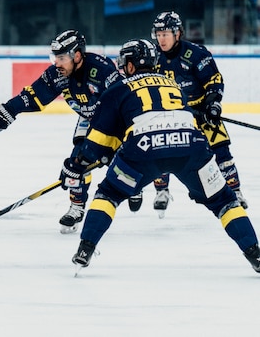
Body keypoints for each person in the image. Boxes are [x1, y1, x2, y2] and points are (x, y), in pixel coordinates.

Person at [60, 38, 260, 274]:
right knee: (225, 201)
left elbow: (97, 143)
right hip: (191, 148)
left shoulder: (117, 89)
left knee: (108, 194)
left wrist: (76, 165)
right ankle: (255, 253)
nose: (122, 67)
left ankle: (86, 249)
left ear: (132, 64)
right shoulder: (173, 85)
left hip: (143, 152)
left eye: (124, 62)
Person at [0, 29, 121, 234]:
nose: (56, 63)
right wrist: (8, 111)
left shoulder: (102, 70)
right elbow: (33, 96)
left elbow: (122, 103)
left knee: (120, 159)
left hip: (113, 120)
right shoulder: (59, 73)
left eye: (62, 58)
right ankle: (77, 206)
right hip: (87, 118)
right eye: (55, 57)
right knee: (77, 160)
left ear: (77, 55)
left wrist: (113, 146)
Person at [134, 11, 248, 218]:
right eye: (158, 34)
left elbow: (214, 80)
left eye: (166, 33)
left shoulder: (196, 54)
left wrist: (212, 105)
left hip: (201, 111)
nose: (161, 38)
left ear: (178, 33)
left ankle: (235, 190)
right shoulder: (153, 57)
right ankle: (161, 191)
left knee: (220, 148)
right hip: (170, 114)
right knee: (162, 148)